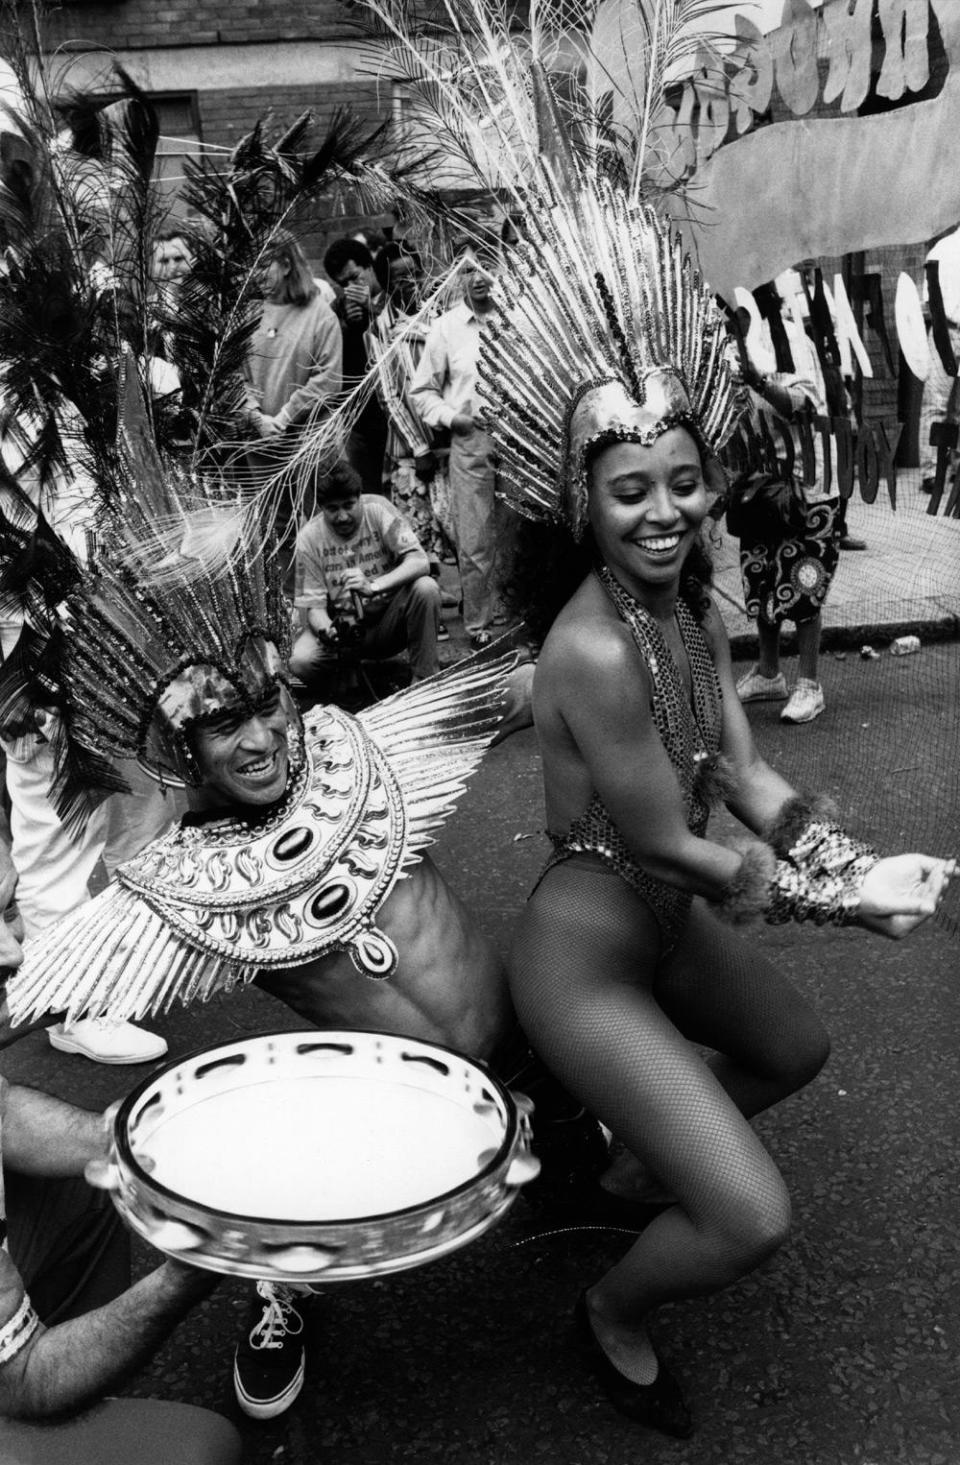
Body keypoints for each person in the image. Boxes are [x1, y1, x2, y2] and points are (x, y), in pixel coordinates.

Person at [1, 407, 609, 1423]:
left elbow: (518, 691)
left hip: (522, 1036)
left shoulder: (362, 746)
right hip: (380, 1098)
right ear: (180, 749)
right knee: (301, 1187)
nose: (260, 738)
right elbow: (48, 989)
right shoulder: (174, 884)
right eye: (221, 723)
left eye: (267, 701)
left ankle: (565, 1159)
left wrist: (623, 658)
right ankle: (283, 1279)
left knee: (585, 1173)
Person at [481, 175, 955, 1438]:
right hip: (584, 955)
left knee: (794, 1050)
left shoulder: (688, 609)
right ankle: (613, 1310)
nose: (665, 513)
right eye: (630, 489)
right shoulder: (587, 649)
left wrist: (853, 857)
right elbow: (667, 842)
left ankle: (641, 1163)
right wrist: (846, 906)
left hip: (669, 924)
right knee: (752, 1218)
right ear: (579, 504)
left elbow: (744, 778)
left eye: (682, 482)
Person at [0, 841, 239, 1461]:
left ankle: (80, 1363)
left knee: (95, 1173)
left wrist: (124, 1138)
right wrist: (192, 1273)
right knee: (202, 1448)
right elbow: (25, 1382)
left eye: (5, 911)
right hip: (19, 1380)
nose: (13, 954)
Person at [724, 336, 840, 725]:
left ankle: (809, 685)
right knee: (762, 585)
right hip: (761, 495)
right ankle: (769, 673)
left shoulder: (794, 364)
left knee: (803, 587)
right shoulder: (733, 379)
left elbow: (794, 405)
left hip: (808, 497)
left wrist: (758, 381)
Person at [411, 237, 510, 650]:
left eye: (484, 266)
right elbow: (421, 392)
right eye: (468, 270)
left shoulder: (517, 318)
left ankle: (527, 617)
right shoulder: (445, 327)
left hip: (521, 439)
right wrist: (455, 420)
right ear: (457, 278)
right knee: (475, 538)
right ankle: (480, 625)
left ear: (499, 268)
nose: (478, 277)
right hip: (472, 440)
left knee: (521, 532)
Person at [290, 459, 441, 694]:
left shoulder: (378, 509)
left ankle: (424, 681)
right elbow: (313, 608)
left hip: (389, 622)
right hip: (346, 633)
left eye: (349, 505)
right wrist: (328, 630)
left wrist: (374, 585)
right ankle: (346, 685)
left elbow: (420, 561)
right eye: (332, 509)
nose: (342, 516)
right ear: (321, 507)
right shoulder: (309, 538)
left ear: (360, 496)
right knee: (301, 660)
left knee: (426, 588)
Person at [243, 229, 343, 548]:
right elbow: (233, 375)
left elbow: (329, 378)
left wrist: (285, 416)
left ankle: (328, 596)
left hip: (311, 438)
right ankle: (286, 597)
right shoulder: (246, 314)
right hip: (260, 439)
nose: (256, 275)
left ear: (286, 264)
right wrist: (256, 416)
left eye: (264, 265)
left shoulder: (319, 314)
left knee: (322, 523)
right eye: (252, 266)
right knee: (273, 528)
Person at [322, 236, 389, 494]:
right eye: (343, 284)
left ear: (369, 267)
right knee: (369, 491)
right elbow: (328, 357)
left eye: (355, 278)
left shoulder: (391, 297)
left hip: (394, 417)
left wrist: (370, 312)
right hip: (358, 420)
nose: (350, 287)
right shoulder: (335, 310)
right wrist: (348, 326)